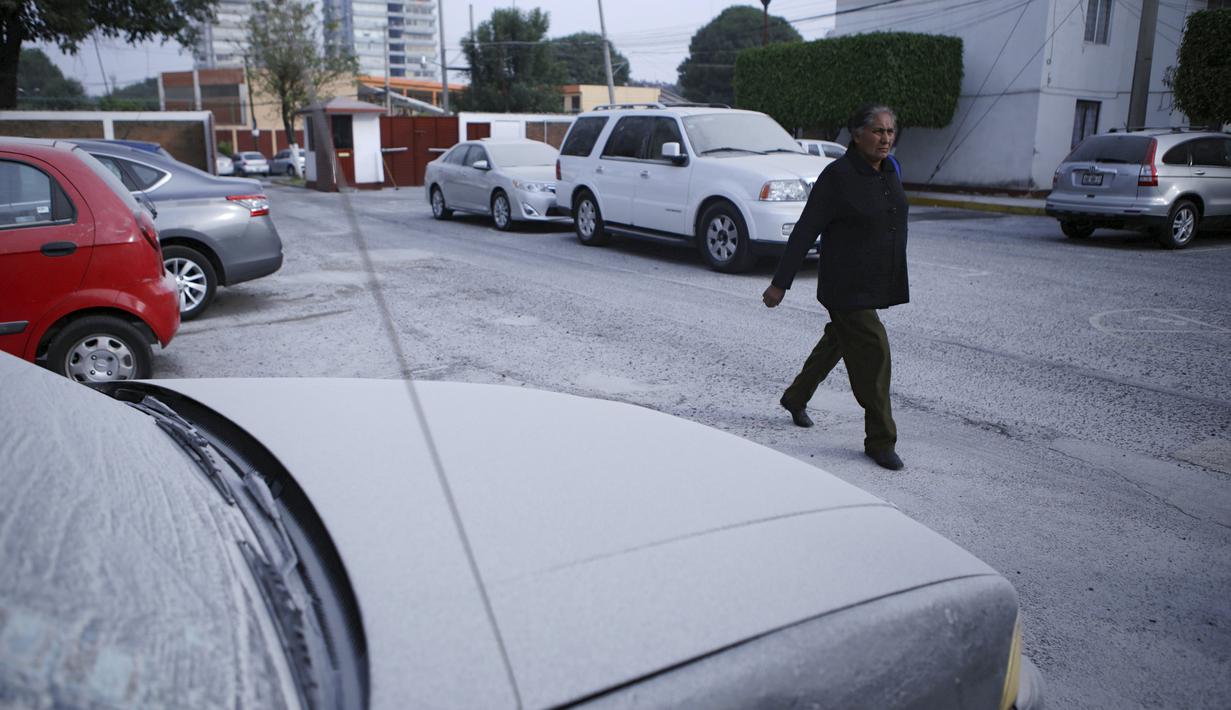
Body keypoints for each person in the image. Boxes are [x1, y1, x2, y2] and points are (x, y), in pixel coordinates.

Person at [762, 104, 909, 471]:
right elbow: (806, 229)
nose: (885, 138)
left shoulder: (890, 169)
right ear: (857, 135)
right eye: (877, 131)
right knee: (874, 350)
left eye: (890, 131)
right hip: (844, 284)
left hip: (872, 280)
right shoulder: (837, 176)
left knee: (840, 340)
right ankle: (880, 440)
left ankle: (796, 397)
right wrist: (780, 283)